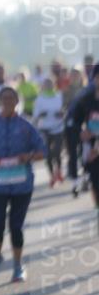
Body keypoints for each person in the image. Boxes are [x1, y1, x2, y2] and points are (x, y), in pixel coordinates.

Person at [0, 87, 47, 282]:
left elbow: (42, 151)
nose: (8, 102)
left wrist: (28, 156)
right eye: (4, 98)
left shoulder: (26, 125)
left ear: (17, 101)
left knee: (16, 226)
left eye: (12, 98)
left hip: (21, 184)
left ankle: (18, 265)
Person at [68, 64, 99, 223]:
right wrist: (81, 131)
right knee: (95, 179)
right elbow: (73, 121)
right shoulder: (85, 99)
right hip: (91, 146)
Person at [33, 77, 66, 187]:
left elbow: (63, 111)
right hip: (45, 128)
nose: (48, 86)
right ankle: (52, 175)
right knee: (47, 154)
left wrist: (61, 114)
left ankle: (59, 171)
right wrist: (42, 115)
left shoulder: (59, 96)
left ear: (54, 84)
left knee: (57, 152)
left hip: (58, 127)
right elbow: (36, 116)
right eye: (46, 84)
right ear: (43, 86)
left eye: (50, 83)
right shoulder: (39, 99)